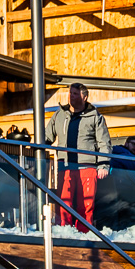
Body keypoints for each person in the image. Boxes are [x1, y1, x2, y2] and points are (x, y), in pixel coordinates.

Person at [46, 82, 112, 231]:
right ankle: (64, 232)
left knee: (86, 204)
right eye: (70, 93)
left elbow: (104, 142)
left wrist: (103, 165)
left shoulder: (95, 117)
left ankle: (84, 234)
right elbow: (47, 136)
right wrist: (34, 148)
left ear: (84, 97)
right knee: (64, 203)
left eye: (75, 94)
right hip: (65, 165)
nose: (71, 96)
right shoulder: (60, 114)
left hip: (87, 166)